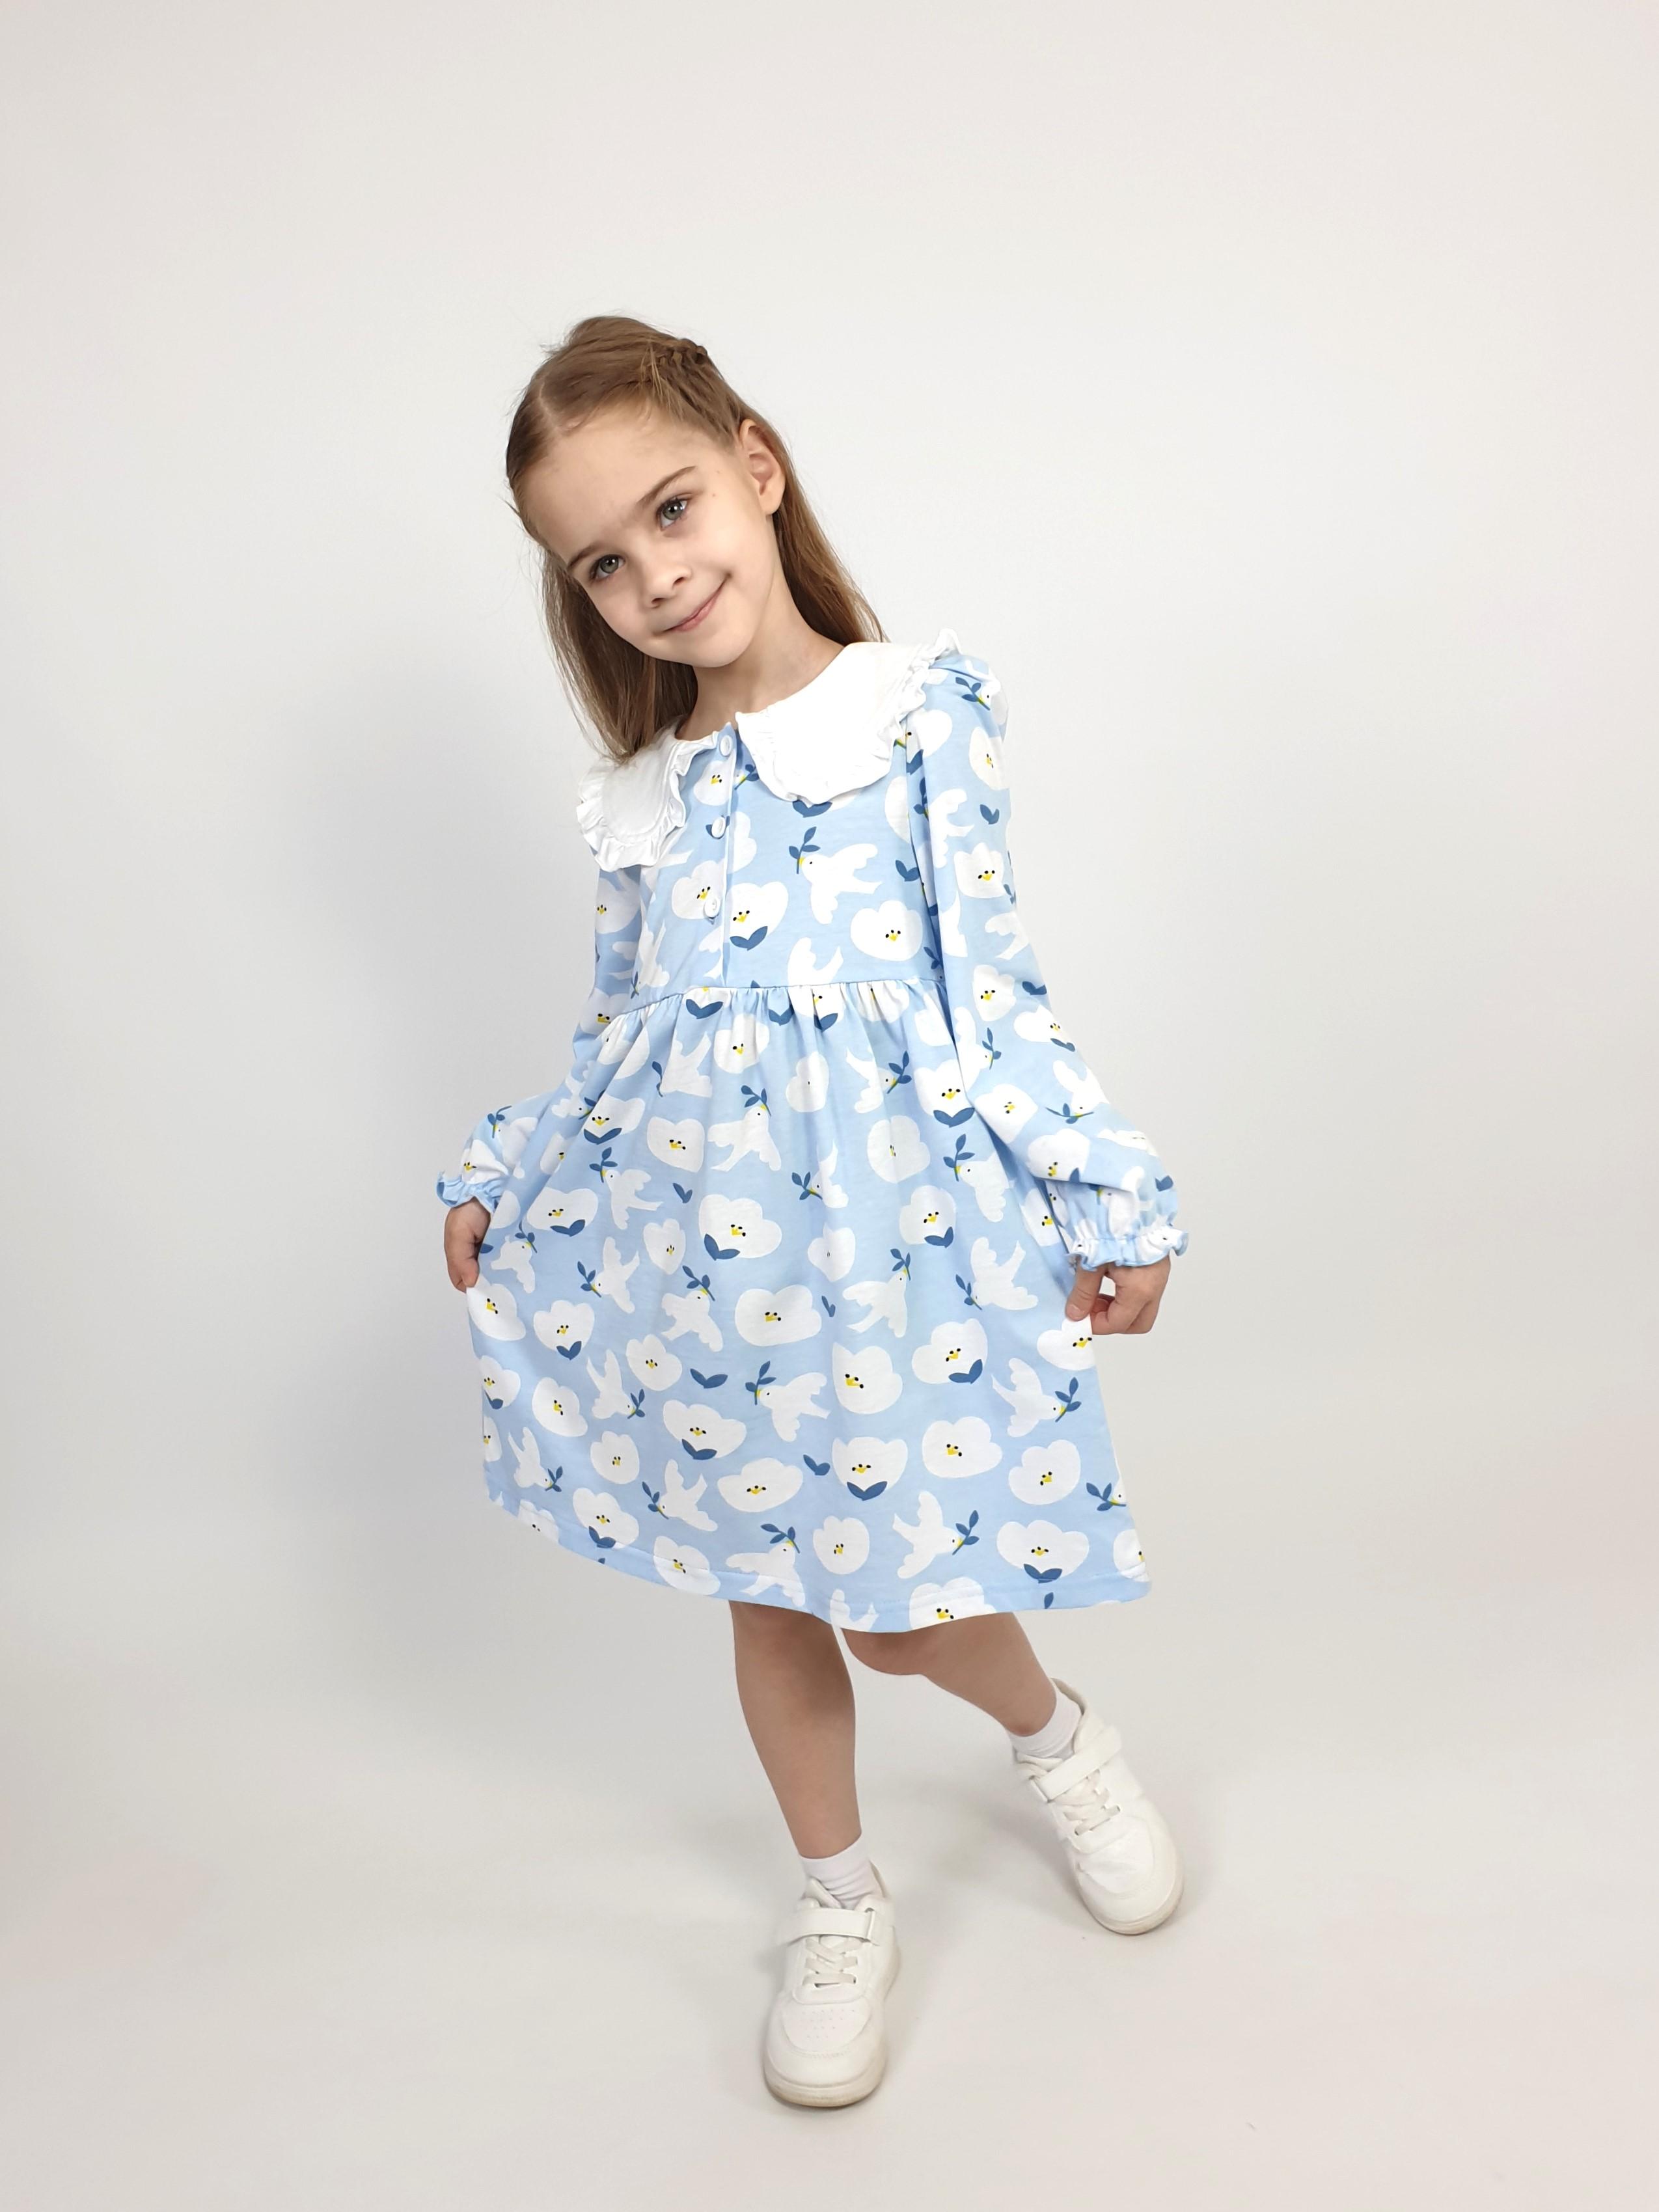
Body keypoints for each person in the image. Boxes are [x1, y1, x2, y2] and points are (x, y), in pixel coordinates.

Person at [437, 315, 1190, 2108]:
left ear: (757, 470)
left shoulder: (914, 715)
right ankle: (840, 1902)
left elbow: (988, 987)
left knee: (898, 1611)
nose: (653, 573)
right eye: (599, 562)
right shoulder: (640, 801)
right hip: (708, 1265)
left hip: (890, 1253)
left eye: (671, 509)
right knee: (765, 1600)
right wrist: (501, 1170)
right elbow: (619, 1039)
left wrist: (1105, 1181)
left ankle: (1060, 1741)